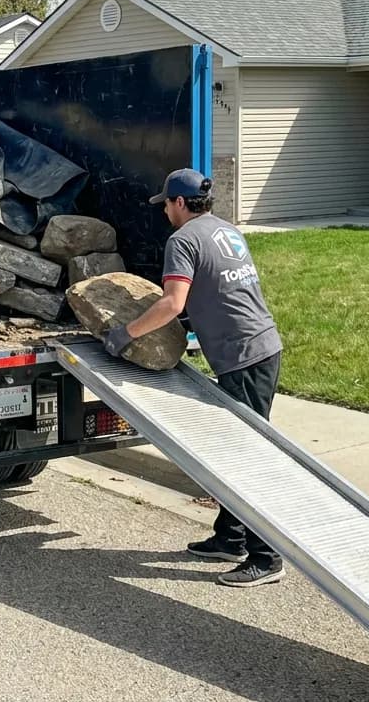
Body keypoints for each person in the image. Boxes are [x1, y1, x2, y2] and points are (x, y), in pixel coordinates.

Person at [103, 168, 285, 588]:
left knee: (245, 457)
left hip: (242, 357)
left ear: (180, 203)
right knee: (231, 449)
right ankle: (230, 536)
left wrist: (124, 335)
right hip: (261, 347)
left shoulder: (182, 240)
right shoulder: (224, 229)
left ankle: (266, 556)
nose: (165, 210)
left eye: (166, 203)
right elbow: (219, 289)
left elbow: (171, 303)